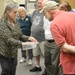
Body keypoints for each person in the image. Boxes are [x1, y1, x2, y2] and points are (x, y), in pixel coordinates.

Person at [0, 3, 37, 75]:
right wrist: (22, 43)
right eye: (14, 12)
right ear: (8, 12)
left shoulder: (15, 21)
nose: (16, 14)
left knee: (13, 69)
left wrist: (29, 38)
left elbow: (20, 35)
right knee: (6, 70)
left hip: (14, 51)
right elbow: (8, 39)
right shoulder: (2, 23)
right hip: (4, 52)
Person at [41, 1, 75, 75]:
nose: (45, 16)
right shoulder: (72, 15)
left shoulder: (54, 25)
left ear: (49, 11)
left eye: (44, 13)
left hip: (69, 65)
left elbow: (65, 48)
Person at [29, 0, 45, 73]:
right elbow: (33, 23)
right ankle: (38, 66)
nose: (39, 4)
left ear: (44, 4)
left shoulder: (45, 12)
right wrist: (31, 35)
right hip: (34, 38)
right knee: (36, 53)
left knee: (45, 55)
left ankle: (47, 69)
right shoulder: (34, 12)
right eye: (38, 3)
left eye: (40, 3)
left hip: (43, 38)